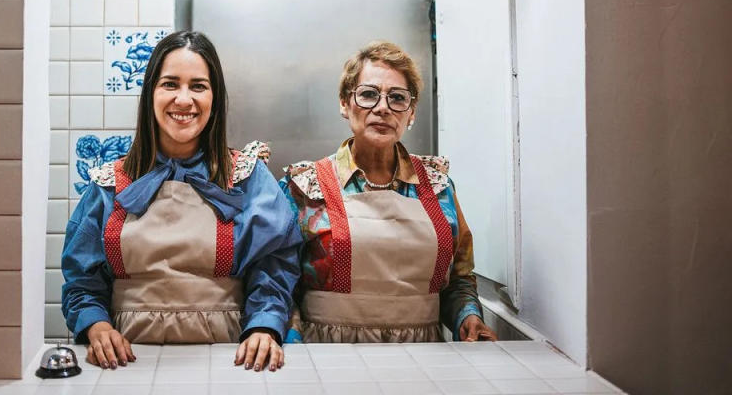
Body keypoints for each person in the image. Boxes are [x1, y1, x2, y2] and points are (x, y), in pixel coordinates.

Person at [62, 31, 301, 371]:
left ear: (215, 98)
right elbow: (82, 280)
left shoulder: (248, 178)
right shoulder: (109, 183)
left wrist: (264, 326)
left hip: (230, 358)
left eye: (198, 86)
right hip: (127, 362)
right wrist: (96, 326)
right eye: (170, 84)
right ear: (151, 94)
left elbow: (275, 265)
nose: (184, 99)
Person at [280, 40, 496, 343]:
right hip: (329, 352)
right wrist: (294, 345)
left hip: (425, 356)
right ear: (344, 103)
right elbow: (280, 281)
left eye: (397, 98)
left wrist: (467, 317)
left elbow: (458, 279)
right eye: (368, 94)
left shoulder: (438, 188)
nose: (383, 108)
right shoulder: (305, 187)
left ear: (411, 113)